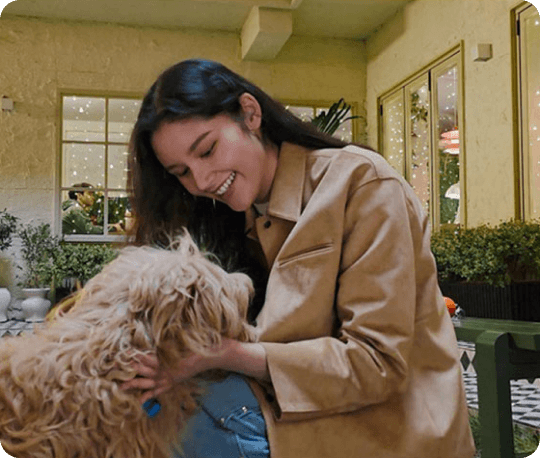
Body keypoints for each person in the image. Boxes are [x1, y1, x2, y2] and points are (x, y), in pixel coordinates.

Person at [121, 59, 476, 458]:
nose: (202, 181)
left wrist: (225, 354)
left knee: (185, 423)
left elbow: (378, 365)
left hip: (393, 428)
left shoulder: (362, 184)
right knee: (141, 407)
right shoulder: (242, 218)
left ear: (250, 114)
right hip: (306, 408)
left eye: (207, 150)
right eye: (182, 172)